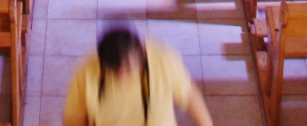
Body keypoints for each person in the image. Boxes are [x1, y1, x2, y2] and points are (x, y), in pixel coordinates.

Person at [63, 26, 213, 126]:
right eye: (114, 70)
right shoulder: (85, 71)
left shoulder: (163, 59)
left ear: (143, 54)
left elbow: (188, 93)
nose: (121, 77)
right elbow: (73, 119)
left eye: (128, 68)